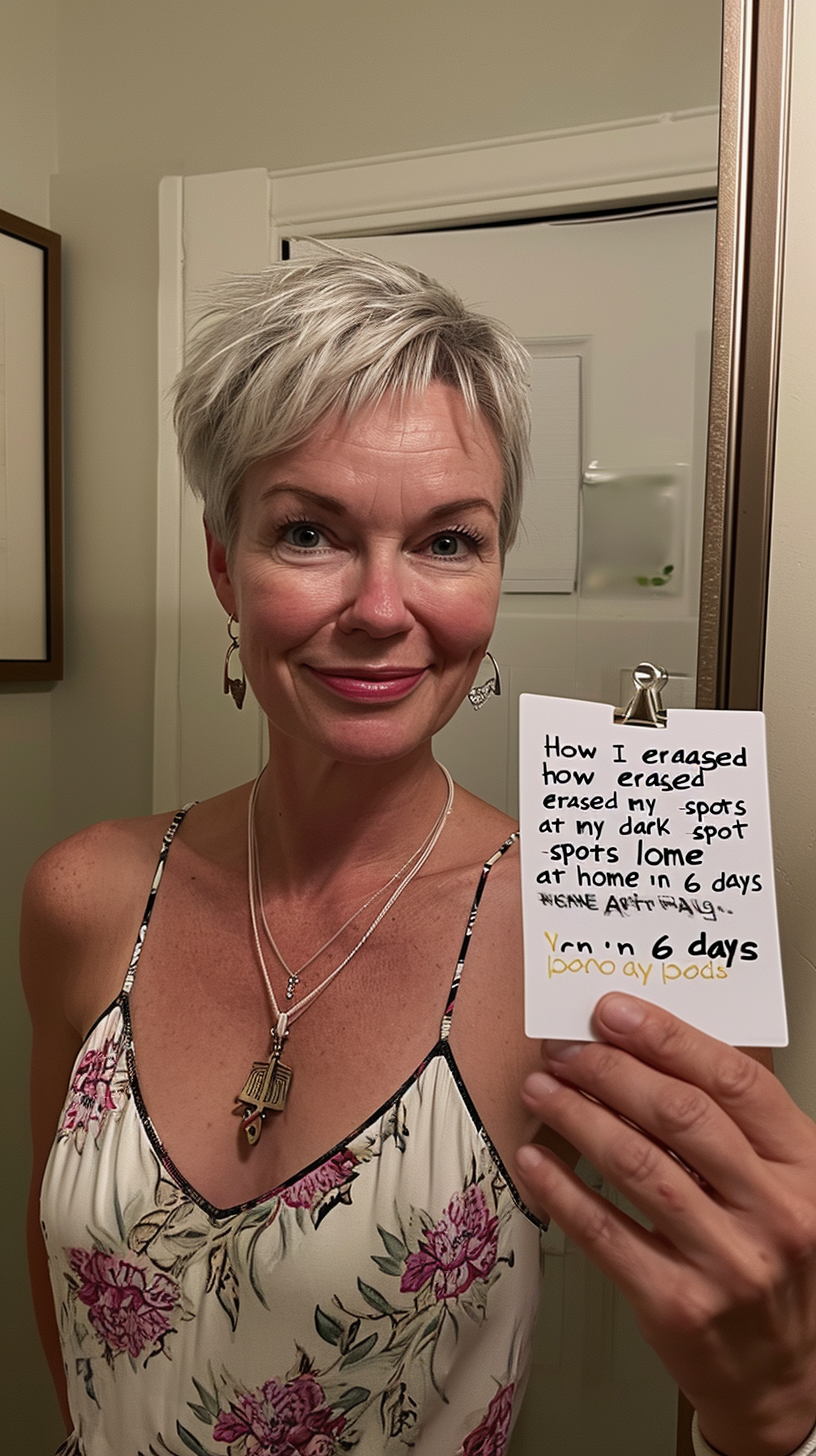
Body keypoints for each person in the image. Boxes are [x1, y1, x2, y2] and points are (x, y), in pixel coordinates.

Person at [22, 251, 816, 1456]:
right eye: (309, 532)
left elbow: (734, 1319)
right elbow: (67, 1304)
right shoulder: (83, 896)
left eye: (449, 541)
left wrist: (770, 1412)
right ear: (223, 562)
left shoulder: (575, 932)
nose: (385, 607)